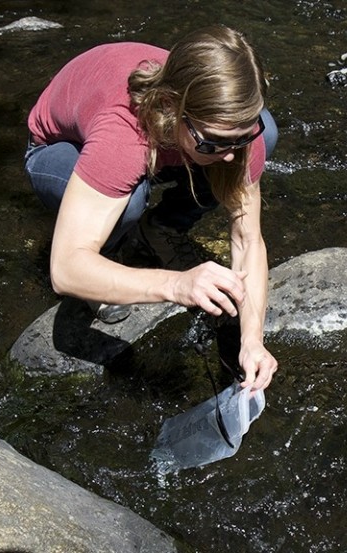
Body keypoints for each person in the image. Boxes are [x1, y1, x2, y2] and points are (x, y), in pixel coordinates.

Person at [24, 26, 279, 391]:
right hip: (61, 150)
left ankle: (161, 227)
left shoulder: (234, 135)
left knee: (265, 135)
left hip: (165, 144)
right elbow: (64, 269)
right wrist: (177, 285)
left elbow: (248, 240)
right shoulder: (124, 134)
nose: (229, 154)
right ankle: (111, 250)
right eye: (214, 142)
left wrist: (252, 339)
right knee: (129, 202)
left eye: (239, 139)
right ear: (171, 107)